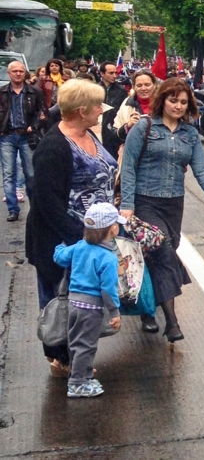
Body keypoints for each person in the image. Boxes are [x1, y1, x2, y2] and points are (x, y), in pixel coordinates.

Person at [120, 78, 204, 342]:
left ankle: (147, 309)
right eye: (173, 100)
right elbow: (129, 166)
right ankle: (172, 322)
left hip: (173, 203)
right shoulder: (144, 127)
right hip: (145, 201)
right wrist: (127, 206)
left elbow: (200, 166)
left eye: (183, 102)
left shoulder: (189, 133)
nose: (178, 106)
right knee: (163, 250)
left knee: (160, 254)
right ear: (162, 100)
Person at [25, 79, 117, 378]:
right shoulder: (53, 148)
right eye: (97, 106)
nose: (101, 111)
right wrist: (85, 239)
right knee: (61, 302)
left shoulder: (87, 132)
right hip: (63, 243)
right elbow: (48, 206)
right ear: (81, 110)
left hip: (91, 237)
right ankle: (62, 360)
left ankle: (74, 357)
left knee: (84, 303)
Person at [53, 202, 124, 398]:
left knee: (76, 342)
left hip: (73, 303)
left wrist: (60, 245)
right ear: (113, 229)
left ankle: (82, 374)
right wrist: (115, 312)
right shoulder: (108, 258)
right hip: (90, 308)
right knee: (87, 345)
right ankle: (77, 384)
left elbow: (59, 258)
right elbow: (108, 290)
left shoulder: (79, 247)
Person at [0, 60, 43, 221]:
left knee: (31, 174)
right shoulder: (2, 92)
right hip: (7, 136)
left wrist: (34, 124)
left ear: (24, 73)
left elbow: (41, 111)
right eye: (14, 71)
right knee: (8, 173)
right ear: (9, 73)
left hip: (27, 136)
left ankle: (34, 208)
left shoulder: (34, 91)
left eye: (20, 71)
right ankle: (13, 209)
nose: (18, 74)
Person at [112, 70, 157, 152]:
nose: (143, 88)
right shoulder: (126, 104)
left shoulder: (165, 104)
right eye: (139, 85)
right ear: (134, 87)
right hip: (133, 154)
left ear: (154, 85)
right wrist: (128, 126)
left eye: (147, 85)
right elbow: (114, 135)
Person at [97, 61, 129, 154]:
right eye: (111, 73)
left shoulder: (121, 90)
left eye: (116, 73)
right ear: (102, 74)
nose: (114, 76)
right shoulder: (94, 89)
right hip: (97, 127)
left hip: (114, 128)